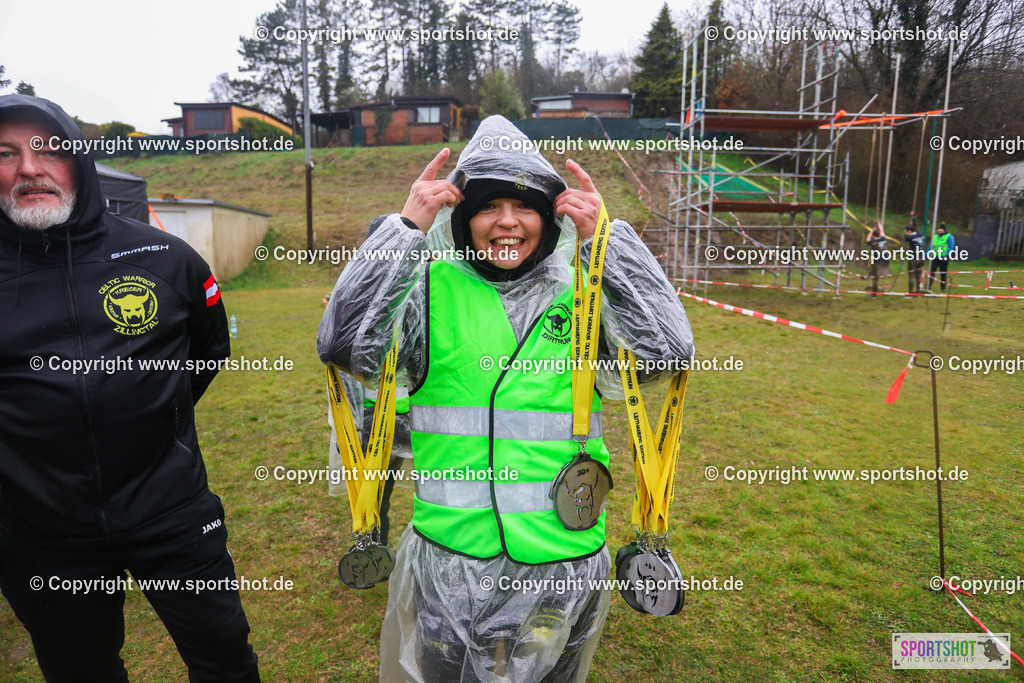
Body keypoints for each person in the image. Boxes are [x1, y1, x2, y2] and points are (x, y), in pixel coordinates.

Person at [317, 116, 694, 682]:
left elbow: (666, 356)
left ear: (549, 218)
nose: (508, 223)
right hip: (449, 562)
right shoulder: (425, 289)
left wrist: (608, 246)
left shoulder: (585, 290)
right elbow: (346, 347)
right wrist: (404, 229)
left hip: (559, 562)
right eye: (489, 207)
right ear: (464, 220)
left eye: (525, 208)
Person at [0, 94, 259, 682]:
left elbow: (208, 350)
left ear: (79, 161)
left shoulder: (165, 258)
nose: (29, 168)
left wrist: (153, 419)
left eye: (48, 150)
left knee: (224, 656)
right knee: (80, 670)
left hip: (171, 511)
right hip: (42, 534)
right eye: (6, 153)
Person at [928, 222, 954, 292]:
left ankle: (943, 288)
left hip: (943, 258)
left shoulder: (949, 237)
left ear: (944, 230)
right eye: (938, 229)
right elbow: (930, 246)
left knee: (943, 274)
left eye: (941, 229)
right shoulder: (935, 236)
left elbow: (951, 247)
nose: (939, 230)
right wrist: (926, 254)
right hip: (934, 257)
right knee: (931, 273)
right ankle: (928, 286)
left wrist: (947, 256)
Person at [866, 221, 889, 298]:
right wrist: (879, 224)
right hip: (885, 259)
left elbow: (867, 239)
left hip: (877, 260)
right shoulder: (883, 238)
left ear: (873, 235)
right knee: (876, 275)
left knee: (875, 278)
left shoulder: (873, 241)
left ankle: (874, 295)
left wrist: (872, 230)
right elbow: (882, 231)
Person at [903, 219, 926, 294]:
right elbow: (917, 228)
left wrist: (906, 232)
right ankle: (918, 291)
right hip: (922, 258)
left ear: (909, 231)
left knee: (911, 276)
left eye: (906, 231)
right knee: (918, 276)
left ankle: (910, 293)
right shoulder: (920, 234)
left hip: (913, 258)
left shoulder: (909, 238)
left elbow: (906, 237)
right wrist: (913, 221)